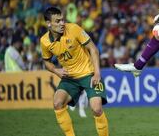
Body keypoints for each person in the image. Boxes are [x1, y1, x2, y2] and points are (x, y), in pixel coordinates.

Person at [40, 7, 108, 136]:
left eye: (62, 20)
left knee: (97, 109)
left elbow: (93, 49)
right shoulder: (44, 41)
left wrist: (97, 73)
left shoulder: (74, 29)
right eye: (57, 21)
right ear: (48, 23)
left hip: (89, 73)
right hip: (70, 78)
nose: (62, 23)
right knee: (57, 103)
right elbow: (46, 61)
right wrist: (56, 70)